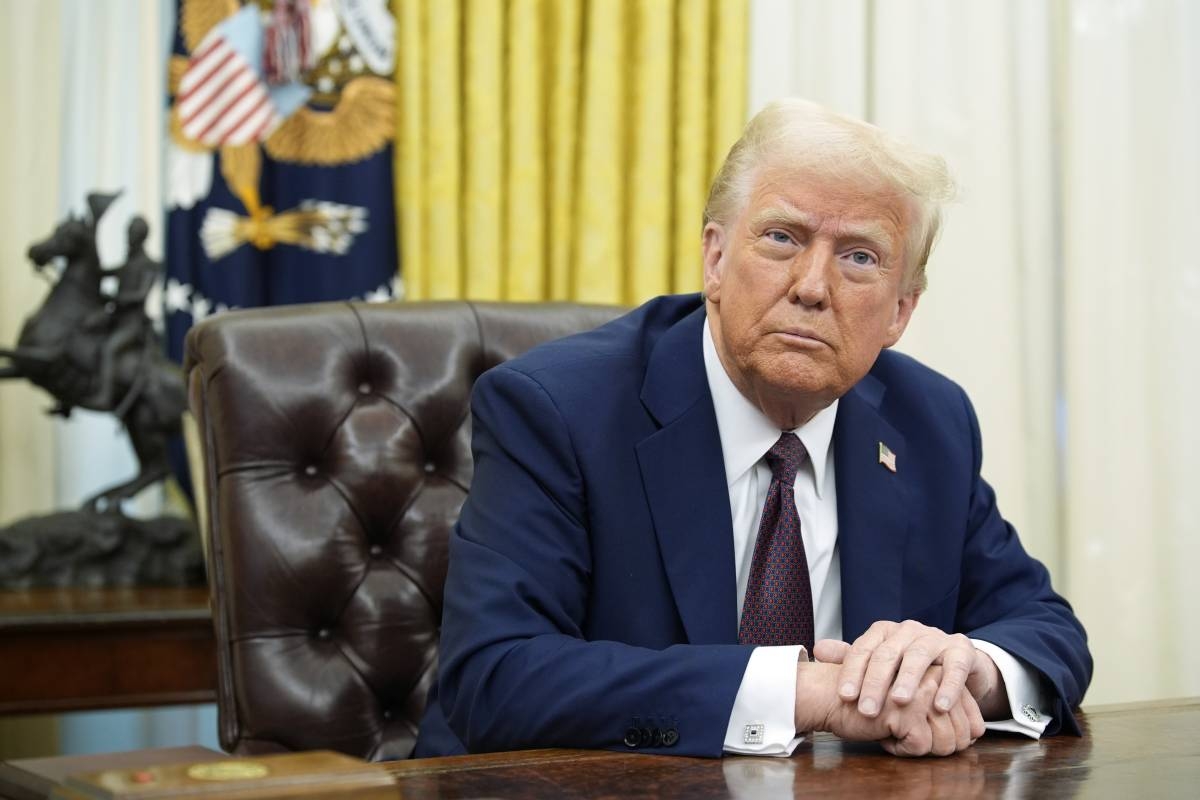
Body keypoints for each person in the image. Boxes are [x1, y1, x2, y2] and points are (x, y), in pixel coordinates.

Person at [413, 99, 1092, 759]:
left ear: (900, 312)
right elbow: (496, 677)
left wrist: (961, 669)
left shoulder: (929, 422)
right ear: (714, 258)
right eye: (782, 238)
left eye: (859, 257)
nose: (811, 286)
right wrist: (808, 693)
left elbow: (1048, 630)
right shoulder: (559, 409)